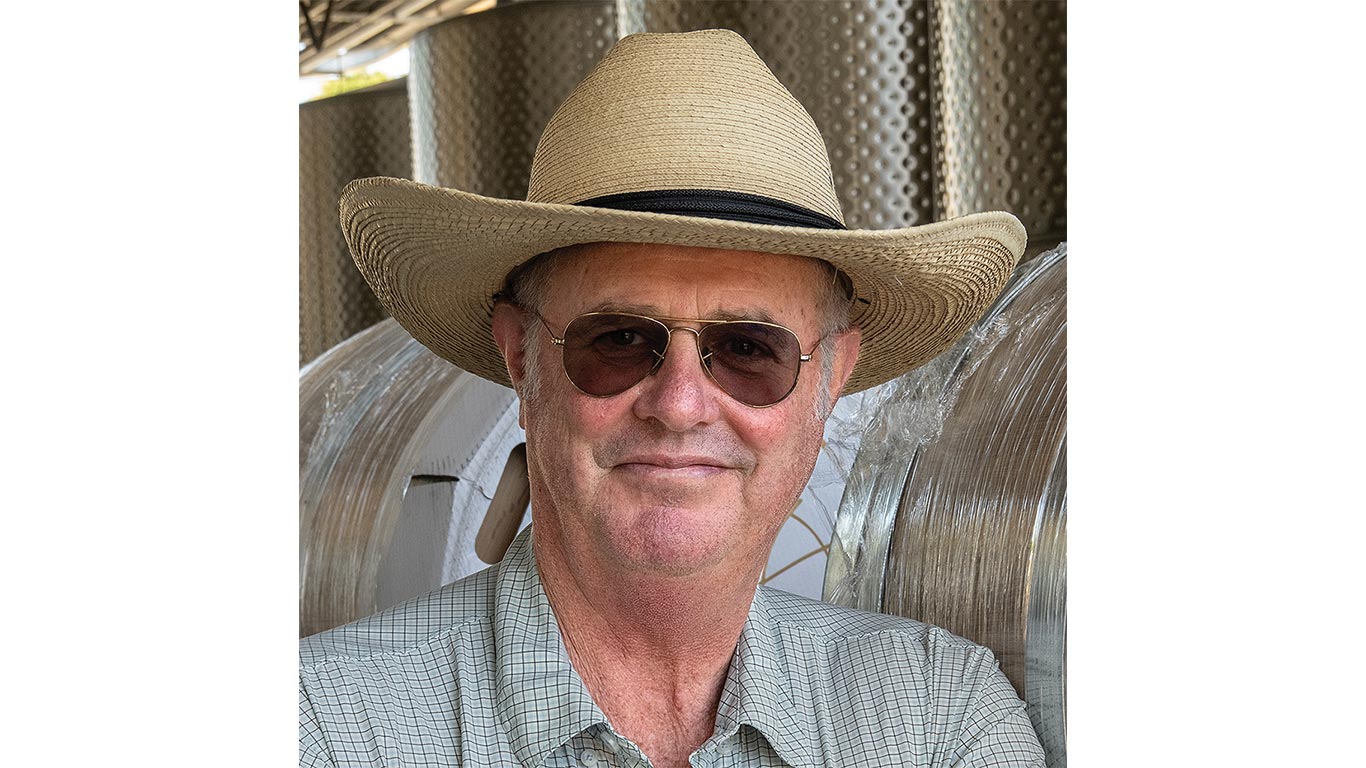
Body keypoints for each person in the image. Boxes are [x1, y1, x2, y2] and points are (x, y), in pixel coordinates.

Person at [300, 29, 1045, 768]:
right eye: (620, 340)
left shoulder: (937, 714)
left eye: (749, 350)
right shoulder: (320, 727)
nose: (681, 403)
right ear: (522, 360)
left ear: (830, 380)